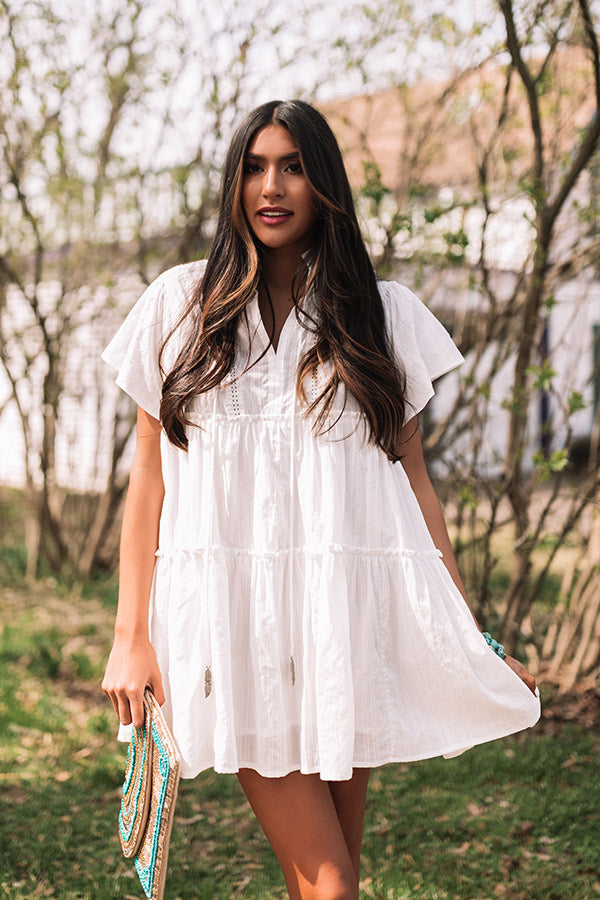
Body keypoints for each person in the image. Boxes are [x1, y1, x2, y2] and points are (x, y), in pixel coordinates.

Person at [101, 99, 540, 900]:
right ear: (234, 183)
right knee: (331, 881)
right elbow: (150, 480)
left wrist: (467, 631)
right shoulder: (179, 307)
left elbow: (413, 484)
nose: (271, 187)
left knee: (333, 879)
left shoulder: (382, 315)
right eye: (255, 168)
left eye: (294, 167)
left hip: (344, 623)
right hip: (235, 627)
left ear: (325, 183)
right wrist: (131, 637)